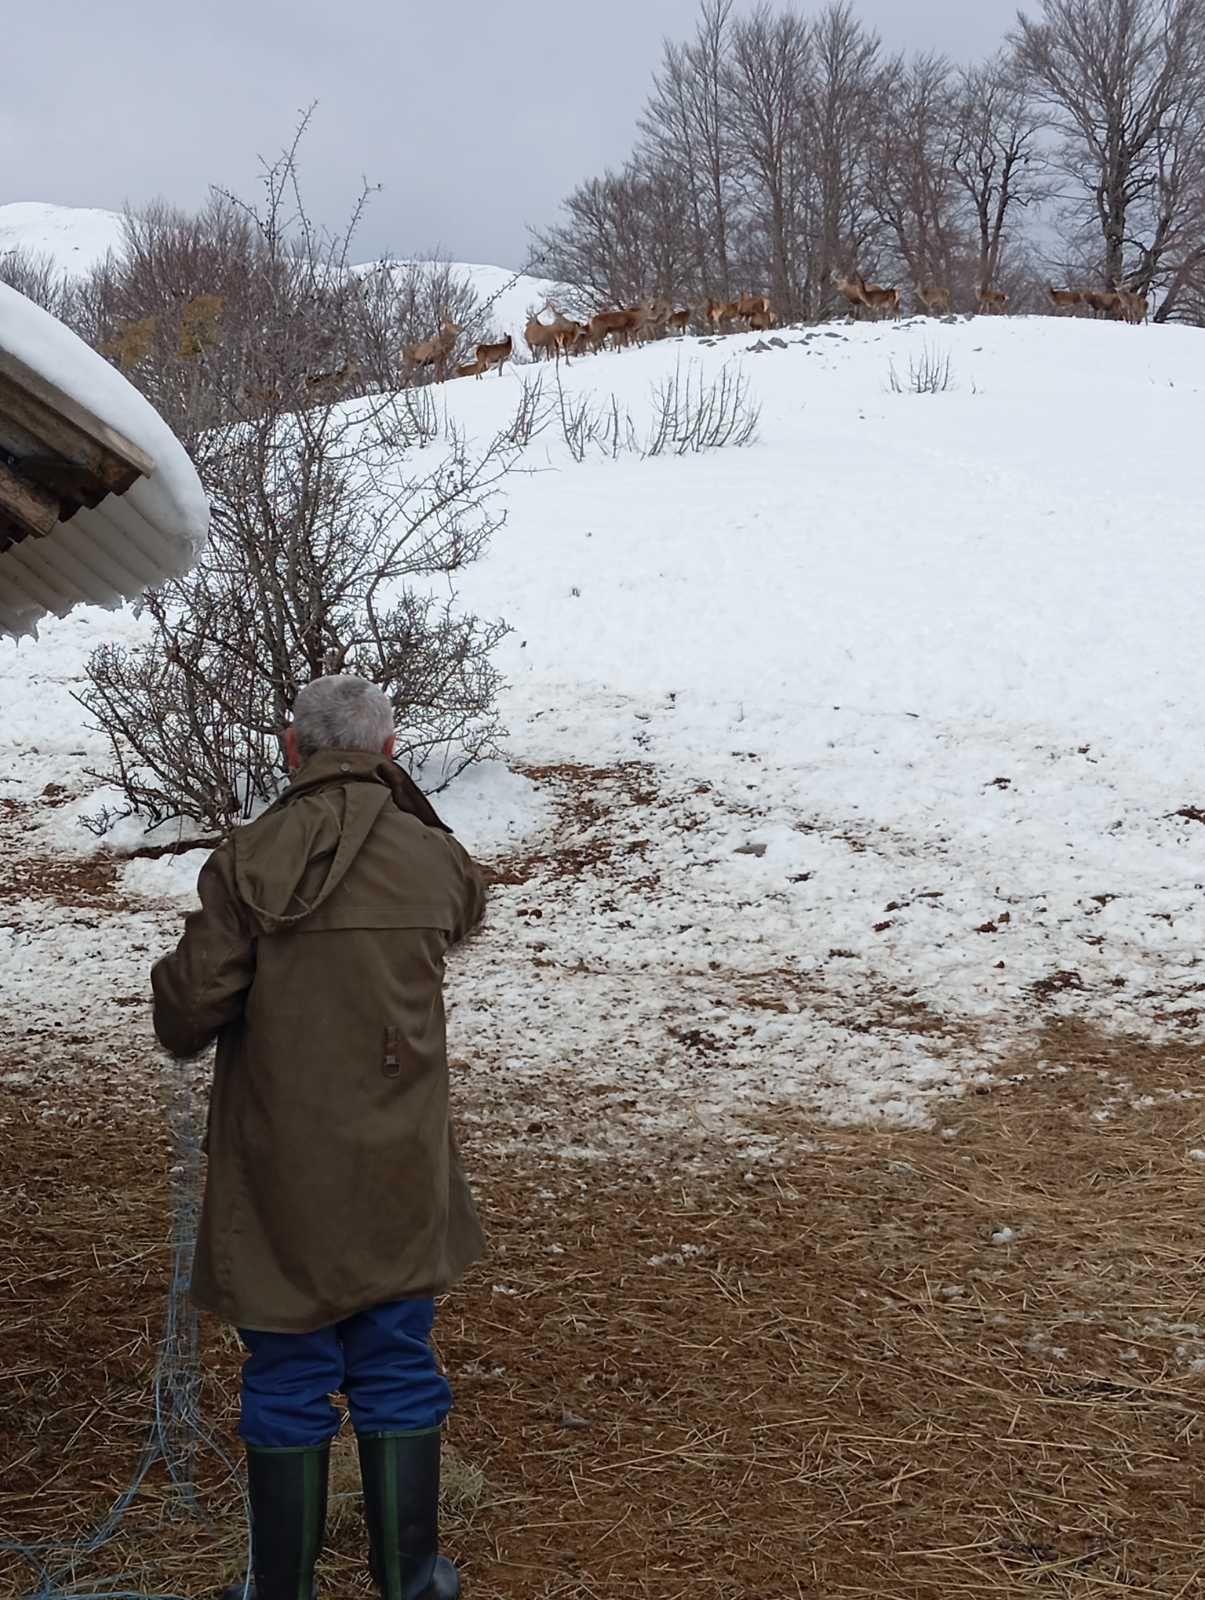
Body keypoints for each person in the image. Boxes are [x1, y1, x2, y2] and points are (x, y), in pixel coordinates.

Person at [151, 675, 487, 1600]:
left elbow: (187, 1011)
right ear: (390, 751)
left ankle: (279, 1590)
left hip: (280, 1163)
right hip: (399, 1159)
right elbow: (465, 910)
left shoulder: (248, 858)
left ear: (291, 749)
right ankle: (411, 1582)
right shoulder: (434, 858)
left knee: (289, 1365)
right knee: (396, 1355)